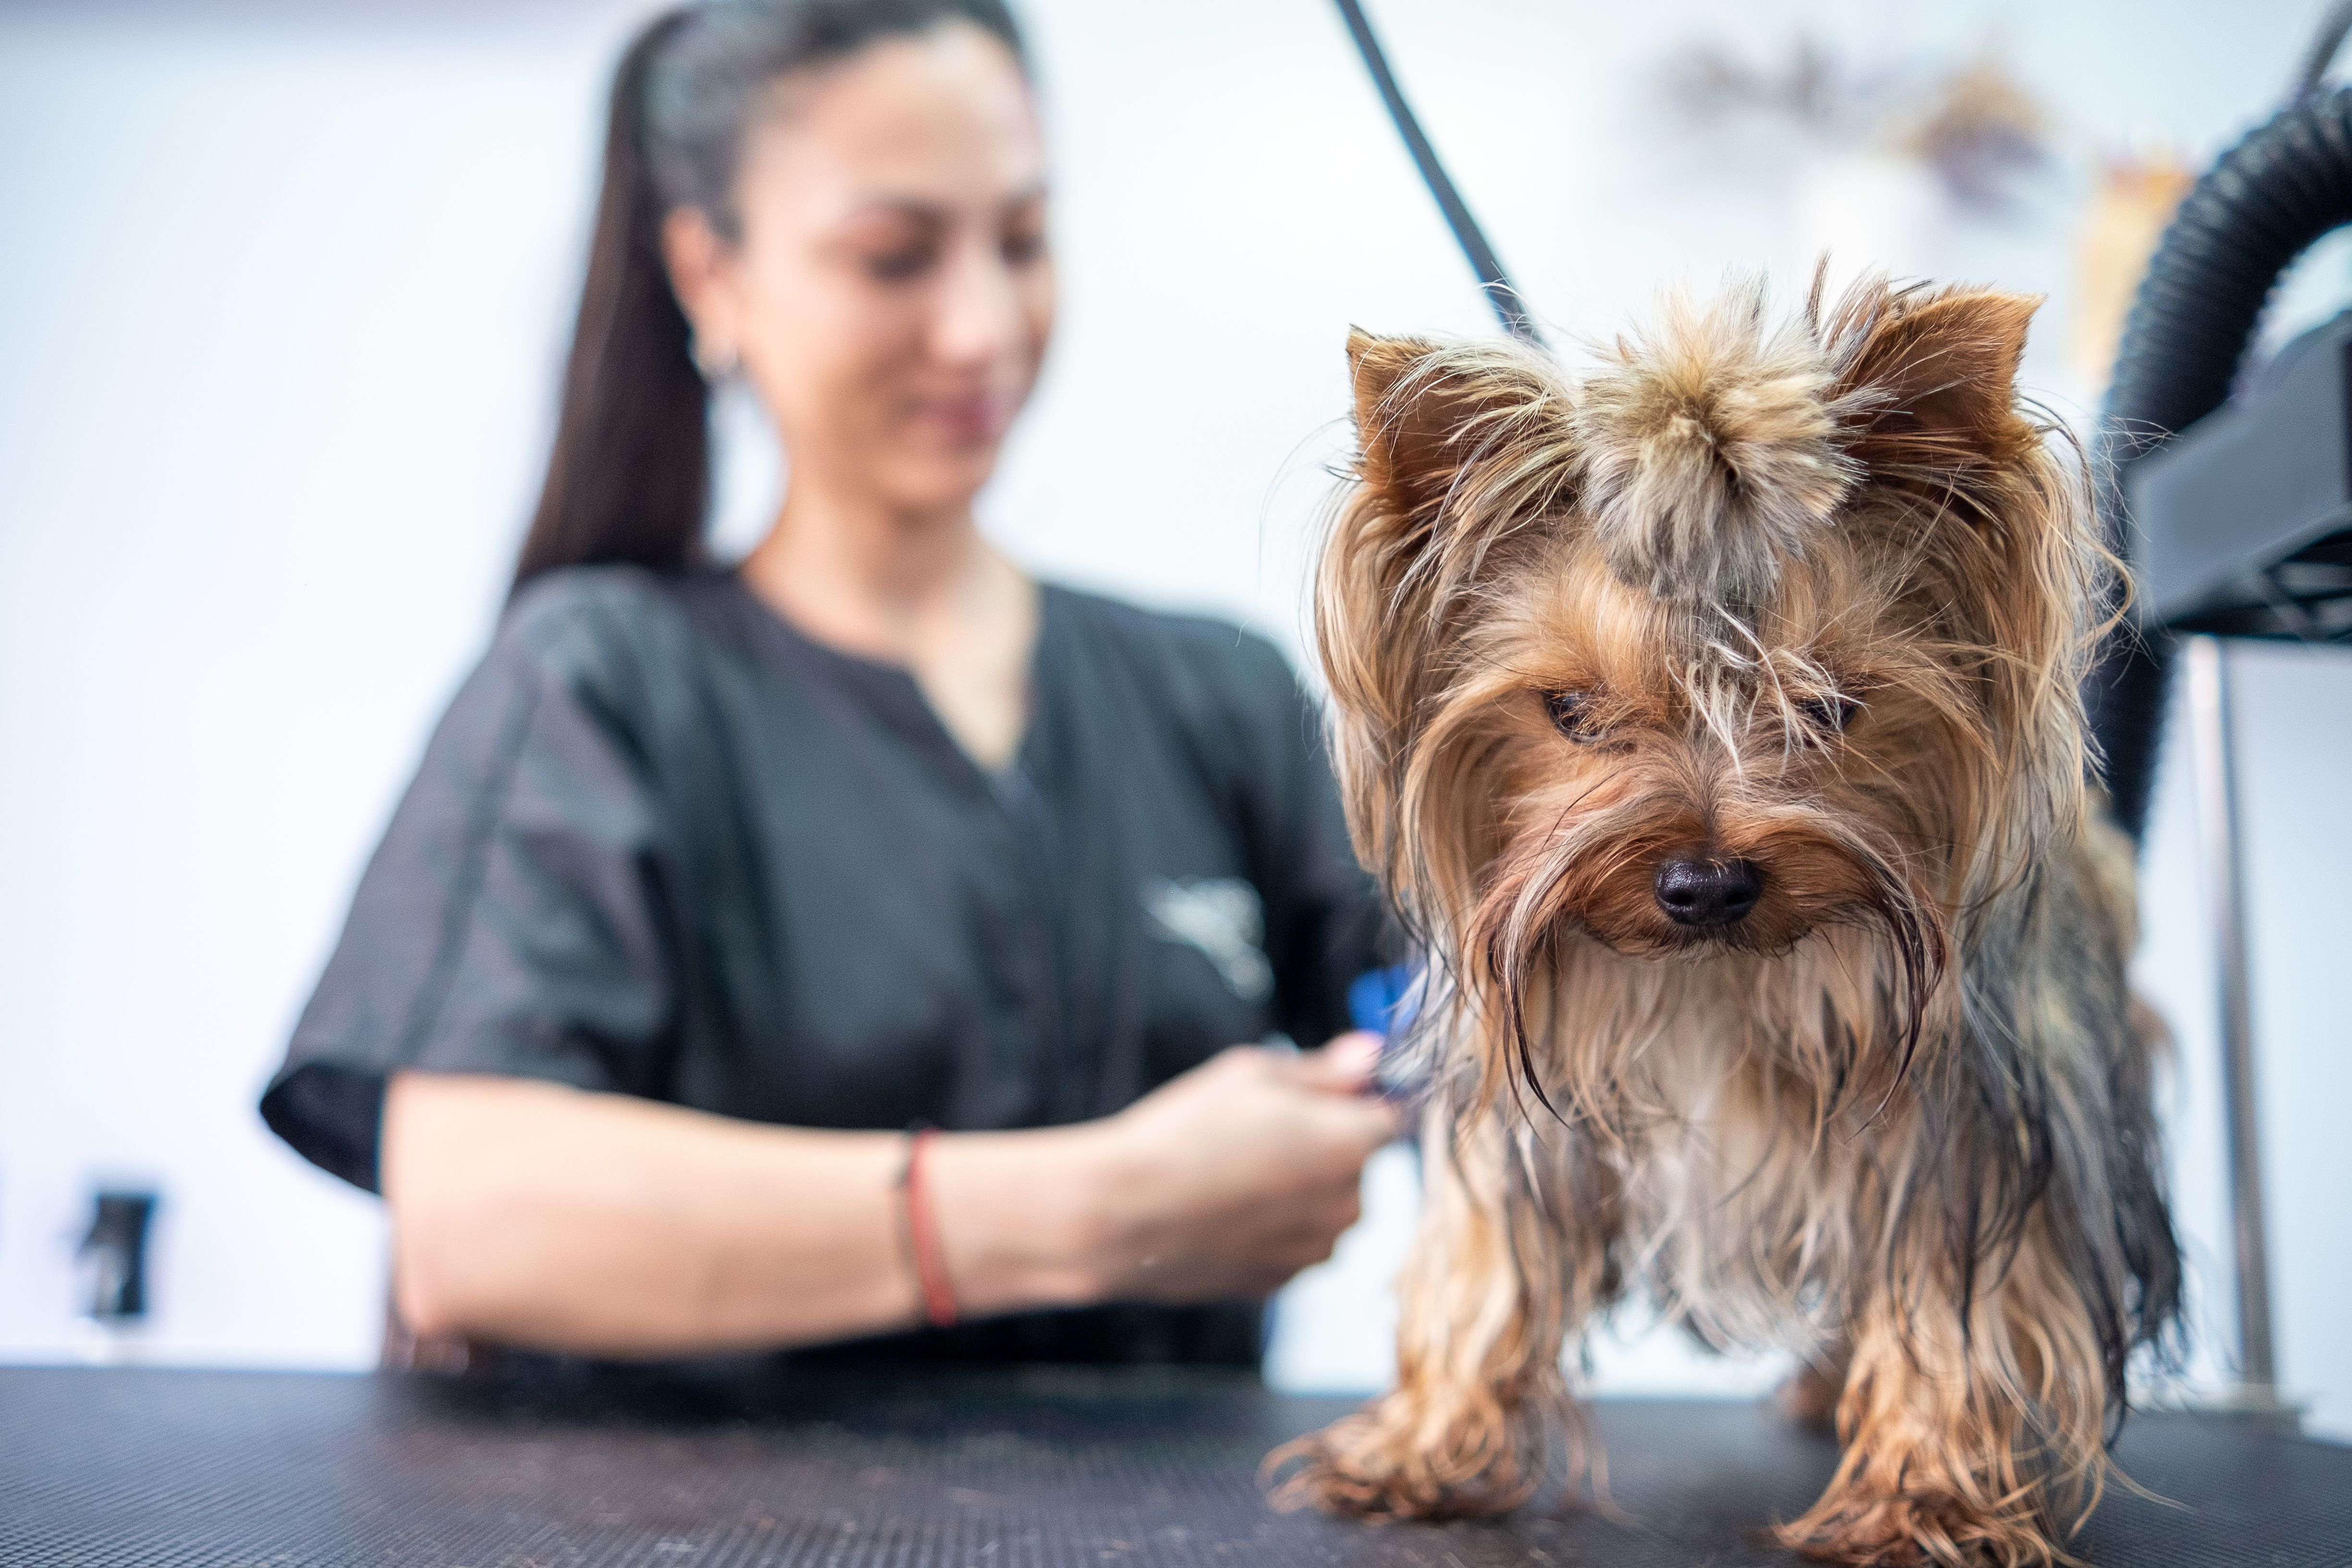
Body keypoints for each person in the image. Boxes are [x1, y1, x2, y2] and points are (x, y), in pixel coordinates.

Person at [258, 0, 1399, 1371]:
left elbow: (1470, 1026)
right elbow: (476, 1222)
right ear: (712, 278)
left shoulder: (1218, 692)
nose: (982, 326)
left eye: (1023, 241)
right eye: (893, 256)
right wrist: (1098, 1208)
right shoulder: (601, 682)